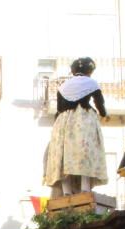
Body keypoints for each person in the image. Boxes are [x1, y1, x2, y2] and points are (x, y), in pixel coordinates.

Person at [43, 57, 109, 196]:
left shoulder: (63, 86)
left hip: (63, 122)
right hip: (84, 120)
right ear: (90, 70)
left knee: (63, 154)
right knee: (84, 153)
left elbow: (60, 107)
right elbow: (100, 104)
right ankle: (85, 189)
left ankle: (66, 192)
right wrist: (104, 114)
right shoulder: (91, 83)